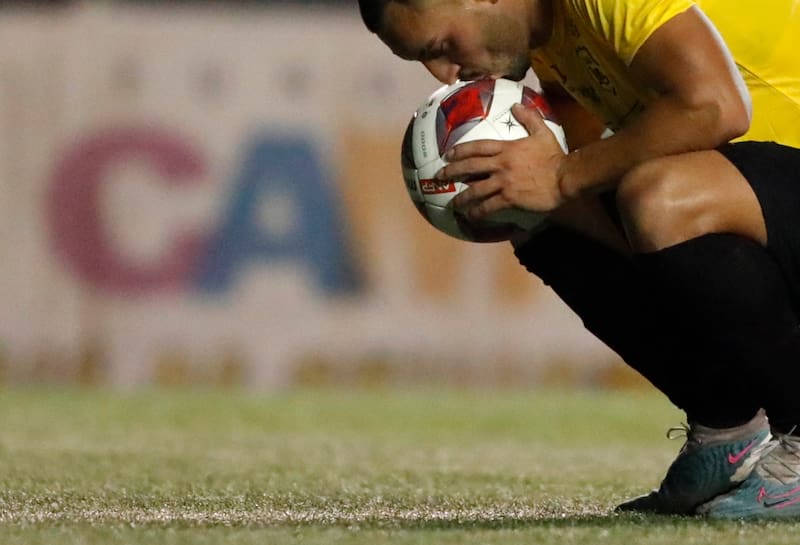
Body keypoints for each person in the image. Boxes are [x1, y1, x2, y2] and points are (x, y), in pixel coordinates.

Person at [358, 0, 800, 519]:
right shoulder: (552, 41)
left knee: (660, 196)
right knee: (539, 217)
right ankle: (727, 429)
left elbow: (716, 107)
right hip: (767, 203)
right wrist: (543, 189)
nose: (444, 74)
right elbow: (598, 202)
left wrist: (560, 177)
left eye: (440, 48)